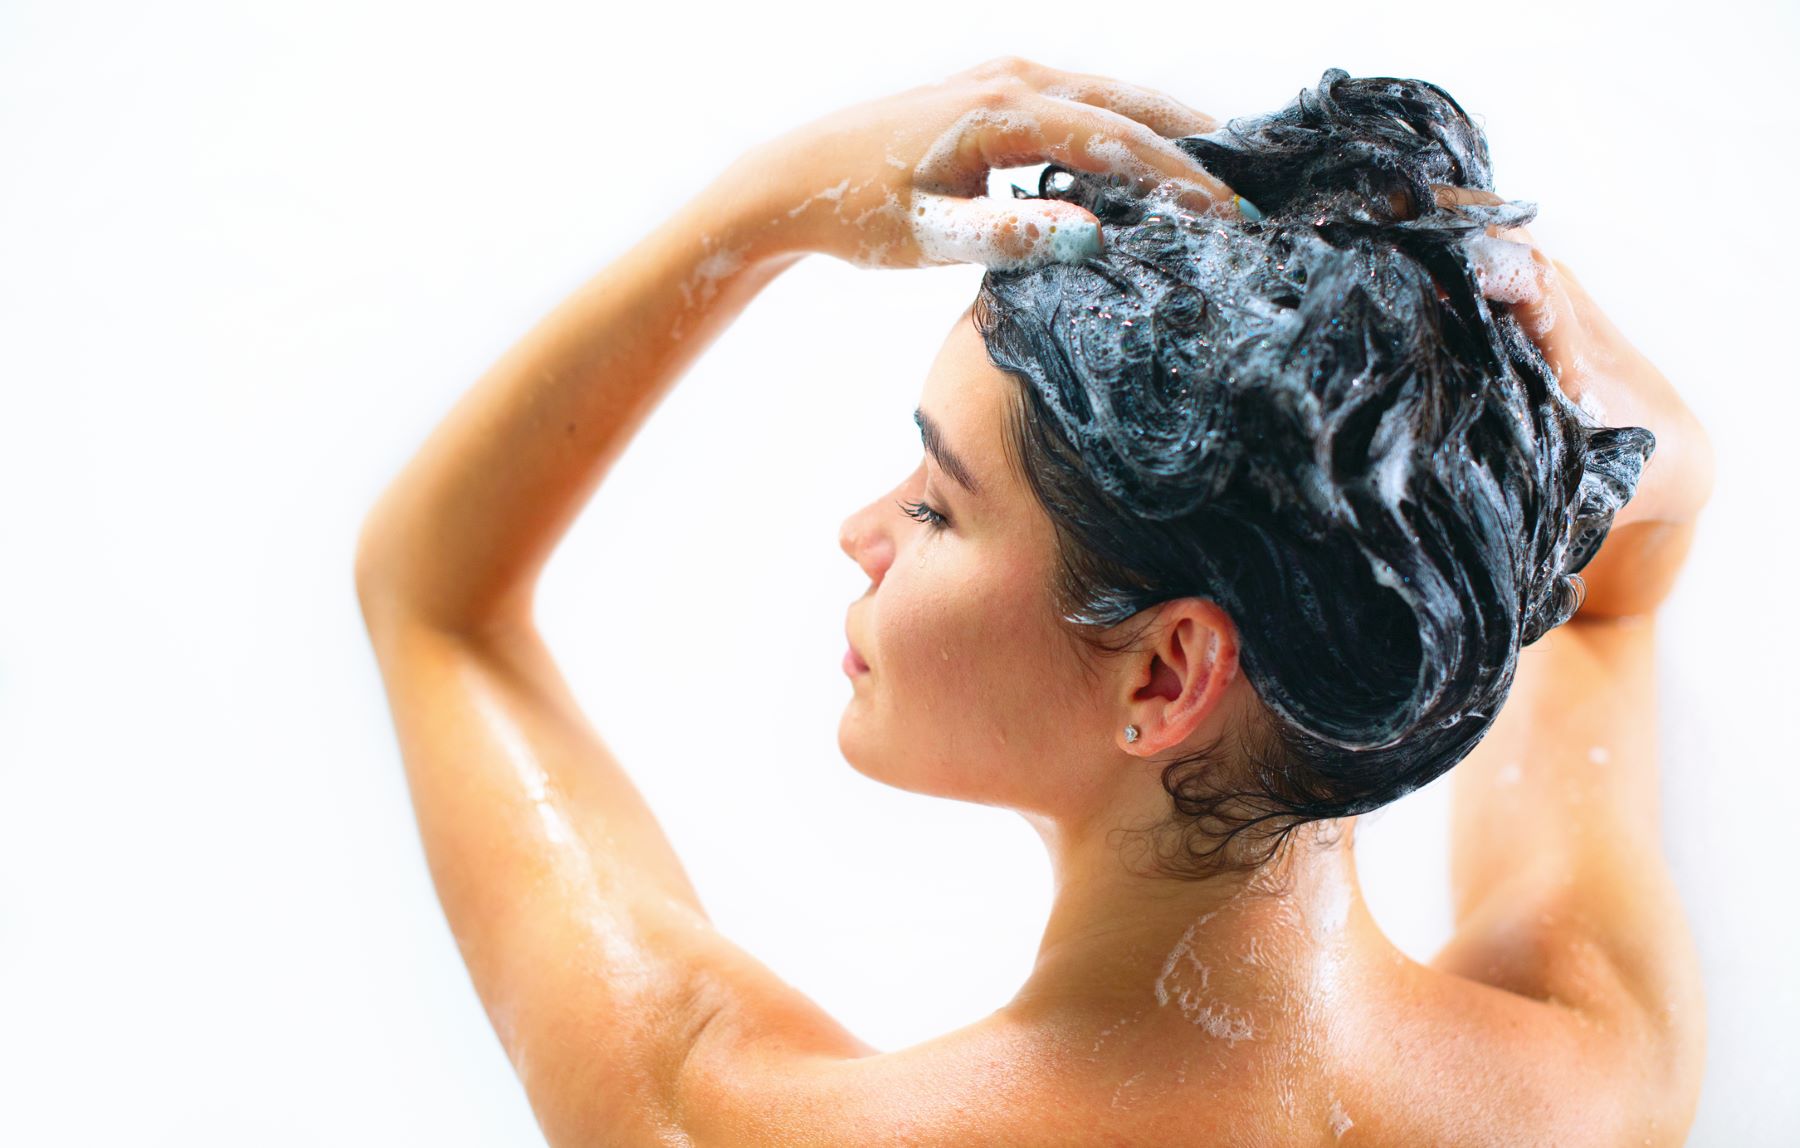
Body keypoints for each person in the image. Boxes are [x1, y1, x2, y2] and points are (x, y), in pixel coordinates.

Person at [355, 58, 1714, 1146]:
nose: (861, 533)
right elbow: (1619, 596)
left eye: (937, 506)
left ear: (1169, 674)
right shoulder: (1596, 1068)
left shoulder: (743, 1125)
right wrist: (1497, 385)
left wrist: (757, 212)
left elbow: (433, 599)